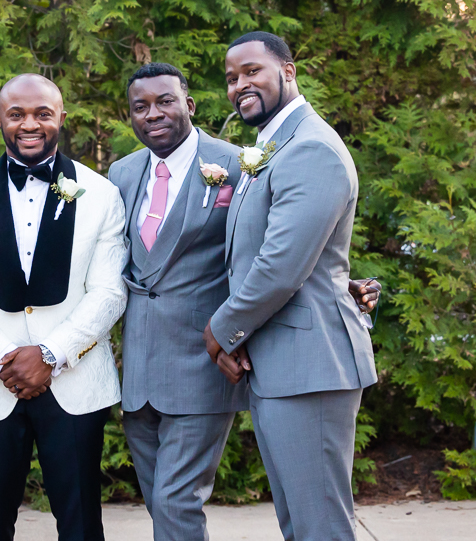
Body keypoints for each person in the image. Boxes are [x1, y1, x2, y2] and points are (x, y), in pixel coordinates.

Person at [110, 63, 380, 540]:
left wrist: (339, 283)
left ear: (189, 105)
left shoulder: (240, 162)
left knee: (176, 502)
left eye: (166, 101)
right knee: (163, 506)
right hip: (140, 370)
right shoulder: (122, 174)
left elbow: (279, 244)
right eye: (140, 107)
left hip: (205, 359)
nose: (153, 114)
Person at [0, 73, 127, 541]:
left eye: (42, 113)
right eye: (16, 114)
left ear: (61, 117)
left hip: (75, 382)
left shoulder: (102, 195)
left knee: (82, 524)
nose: (29, 124)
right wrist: (4, 360)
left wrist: (49, 355)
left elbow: (109, 292)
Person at [204, 31, 378, 541]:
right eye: (232, 78)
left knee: (319, 525)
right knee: (299, 523)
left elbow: (281, 265)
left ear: (288, 70)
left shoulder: (311, 148)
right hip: (282, 363)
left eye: (252, 71)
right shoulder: (272, 147)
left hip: (311, 366)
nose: (240, 85)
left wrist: (221, 331)